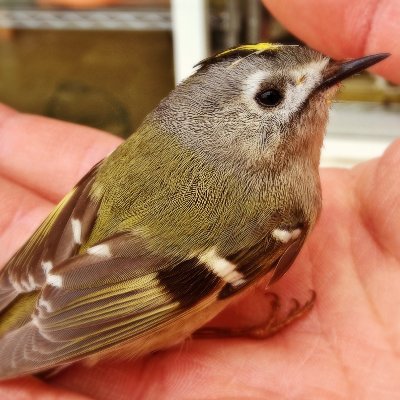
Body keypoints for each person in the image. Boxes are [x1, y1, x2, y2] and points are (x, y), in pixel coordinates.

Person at [1, 1, 399, 398]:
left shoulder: (155, 150)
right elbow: (171, 295)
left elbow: (80, 202)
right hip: (107, 299)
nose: (332, 80)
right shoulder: (280, 210)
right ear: (220, 121)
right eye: (272, 97)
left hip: (64, 265)